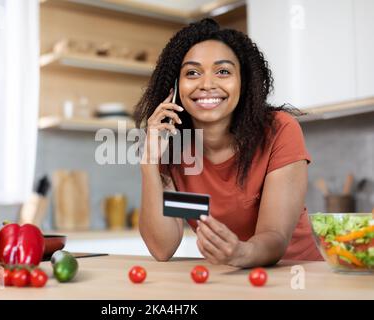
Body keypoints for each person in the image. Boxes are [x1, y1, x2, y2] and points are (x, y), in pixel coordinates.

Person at [133, 18, 322, 268]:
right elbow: (162, 247)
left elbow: (275, 237)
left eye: (223, 71)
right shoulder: (174, 148)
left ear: (243, 83)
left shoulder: (279, 130)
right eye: (192, 72)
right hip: (229, 281)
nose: (207, 84)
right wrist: (149, 164)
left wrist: (239, 253)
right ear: (175, 87)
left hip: (296, 276)